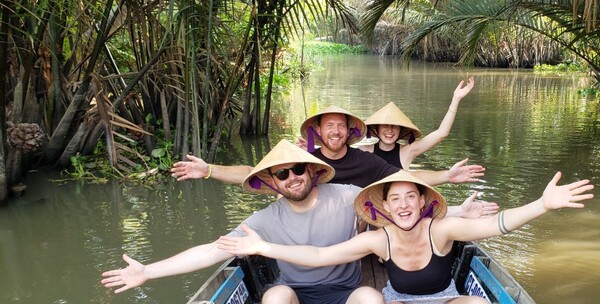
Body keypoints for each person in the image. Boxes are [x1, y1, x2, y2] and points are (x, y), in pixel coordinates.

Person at [215, 170, 595, 304]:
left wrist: (542, 205)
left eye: (410, 196)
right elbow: (319, 256)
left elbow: (496, 225)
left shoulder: (442, 229)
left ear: (422, 201)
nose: (403, 204)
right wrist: (266, 249)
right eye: (394, 199)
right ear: (385, 207)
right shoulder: (378, 239)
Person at [101, 140, 384, 304]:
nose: (293, 178)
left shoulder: (348, 197)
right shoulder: (265, 219)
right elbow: (213, 251)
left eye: (298, 169)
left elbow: (394, 209)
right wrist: (148, 271)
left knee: (372, 299)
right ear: (273, 183)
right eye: (282, 174)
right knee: (274, 296)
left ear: (312, 170)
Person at [170, 106, 485, 188]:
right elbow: (255, 174)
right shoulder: (303, 161)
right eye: (328, 125)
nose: (335, 131)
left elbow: (404, 178)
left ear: (350, 132)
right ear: (318, 132)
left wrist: (447, 175)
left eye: (340, 126)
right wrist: (209, 170)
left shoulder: (368, 161)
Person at [360, 78, 474, 169]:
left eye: (394, 126)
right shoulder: (364, 151)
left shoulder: (408, 151)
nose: (390, 130)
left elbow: (441, 133)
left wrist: (456, 100)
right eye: (385, 125)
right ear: (377, 129)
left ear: (401, 130)